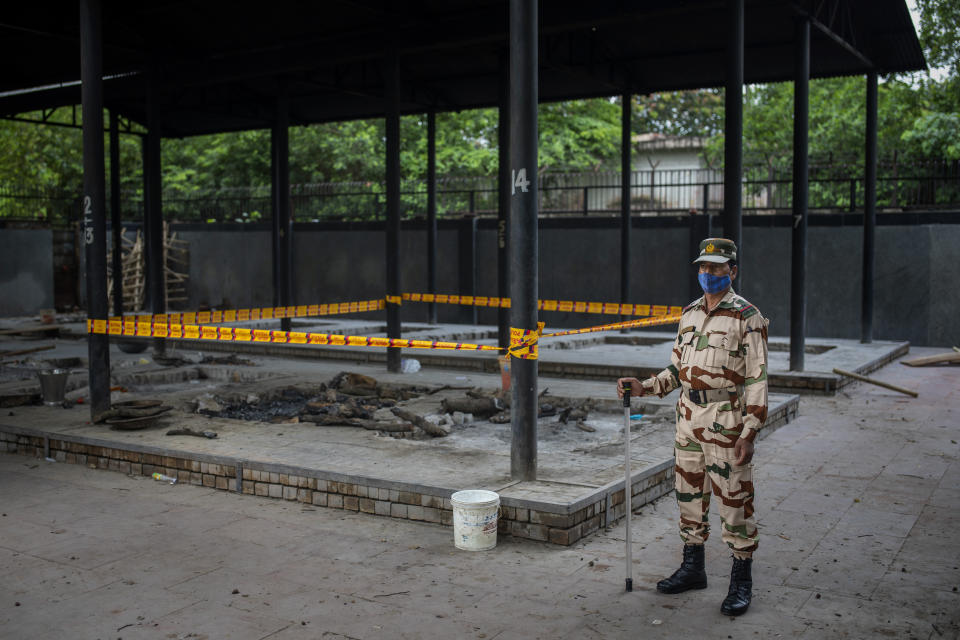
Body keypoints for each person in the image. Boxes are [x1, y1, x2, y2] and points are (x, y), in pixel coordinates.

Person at [617, 237, 768, 617]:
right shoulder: (689, 314)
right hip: (688, 419)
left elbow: (757, 378)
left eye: (716, 268)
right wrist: (645, 387)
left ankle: (741, 579)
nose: (708, 273)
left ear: (732, 271)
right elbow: (676, 369)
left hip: (726, 421)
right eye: (703, 267)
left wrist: (750, 430)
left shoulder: (747, 317)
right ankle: (693, 567)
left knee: (734, 500)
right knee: (688, 496)